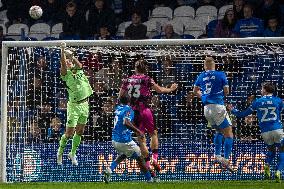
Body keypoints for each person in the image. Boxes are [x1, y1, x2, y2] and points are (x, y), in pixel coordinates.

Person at [119, 59, 178, 176]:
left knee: (141, 139)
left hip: (133, 112)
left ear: (135, 68)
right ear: (145, 69)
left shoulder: (127, 80)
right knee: (153, 134)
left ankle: (148, 166)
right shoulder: (147, 79)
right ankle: (155, 159)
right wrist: (171, 89)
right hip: (145, 110)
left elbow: (120, 96)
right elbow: (160, 90)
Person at [228, 82, 284, 182]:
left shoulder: (257, 102)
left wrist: (233, 110)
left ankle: (267, 166)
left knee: (271, 151)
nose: (260, 90)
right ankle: (278, 172)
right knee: (282, 151)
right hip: (277, 129)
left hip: (265, 132)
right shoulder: (279, 100)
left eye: (262, 89)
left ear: (265, 90)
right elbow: (279, 111)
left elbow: (243, 114)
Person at [193, 57, 234, 172]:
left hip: (206, 109)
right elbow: (227, 92)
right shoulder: (221, 74)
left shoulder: (201, 76)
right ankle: (225, 159)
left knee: (219, 131)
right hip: (218, 106)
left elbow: (195, 91)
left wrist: (204, 97)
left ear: (205, 66)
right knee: (229, 134)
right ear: (214, 65)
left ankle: (217, 155)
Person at [57, 42, 93, 166]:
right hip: (74, 106)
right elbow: (63, 63)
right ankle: (60, 152)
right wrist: (62, 50)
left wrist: (71, 56)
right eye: (66, 61)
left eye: (69, 61)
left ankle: (72, 153)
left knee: (80, 132)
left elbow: (79, 64)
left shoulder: (78, 69)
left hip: (85, 105)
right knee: (69, 133)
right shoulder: (65, 75)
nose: (68, 62)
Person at [103, 96, 153, 183]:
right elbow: (125, 122)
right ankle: (150, 179)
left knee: (124, 154)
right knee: (140, 158)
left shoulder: (118, 108)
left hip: (115, 140)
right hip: (124, 141)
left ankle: (110, 169)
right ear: (130, 102)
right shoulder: (129, 110)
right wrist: (138, 131)